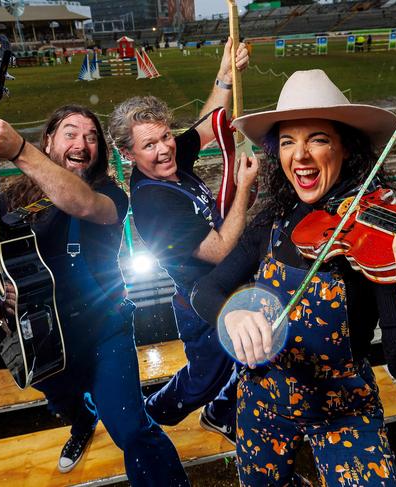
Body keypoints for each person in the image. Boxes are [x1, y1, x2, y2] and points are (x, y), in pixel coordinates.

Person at [191, 69, 396, 486]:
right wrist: (230, 315)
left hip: (344, 409)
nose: (300, 156)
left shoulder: (378, 237)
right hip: (262, 400)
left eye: (318, 139)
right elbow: (207, 289)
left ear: (347, 147)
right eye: (288, 141)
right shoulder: (273, 219)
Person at [0, 105, 189, 485]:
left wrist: (18, 150)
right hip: (43, 340)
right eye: (70, 133)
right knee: (64, 406)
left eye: (91, 136)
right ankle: (82, 421)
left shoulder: (110, 193)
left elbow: (79, 204)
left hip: (104, 334)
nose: (82, 143)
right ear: (48, 140)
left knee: (132, 431)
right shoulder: (12, 201)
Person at [108, 38, 255, 445]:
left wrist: (225, 75)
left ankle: (223, 413)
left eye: (166, 136)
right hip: (198, 299)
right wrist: (243, 187)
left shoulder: (169, 159)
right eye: (149, 145)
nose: (164, 148)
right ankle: (153, 414)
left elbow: (208, 126)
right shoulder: (153, 201)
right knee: (204, 377)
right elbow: (221, 247)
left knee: (248, 352)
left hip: (224, 285)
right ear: (128, 153)